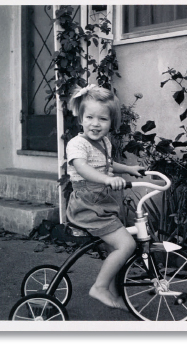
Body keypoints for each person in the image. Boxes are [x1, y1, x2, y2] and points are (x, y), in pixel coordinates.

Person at [66, 84, 144, 311]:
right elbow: (82, 167)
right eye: (89, 117)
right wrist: (107, 179)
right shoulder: (77, 144)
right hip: (87, 204)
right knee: (126, 244)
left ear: (112, 123)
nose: (95, 124)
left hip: (101, 202)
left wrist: (126, 169)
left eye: (103, 119)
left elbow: (107, 164)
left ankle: (112, 291)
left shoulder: (104, 142)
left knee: (115, 248)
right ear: (80, 119)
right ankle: (99, 287)